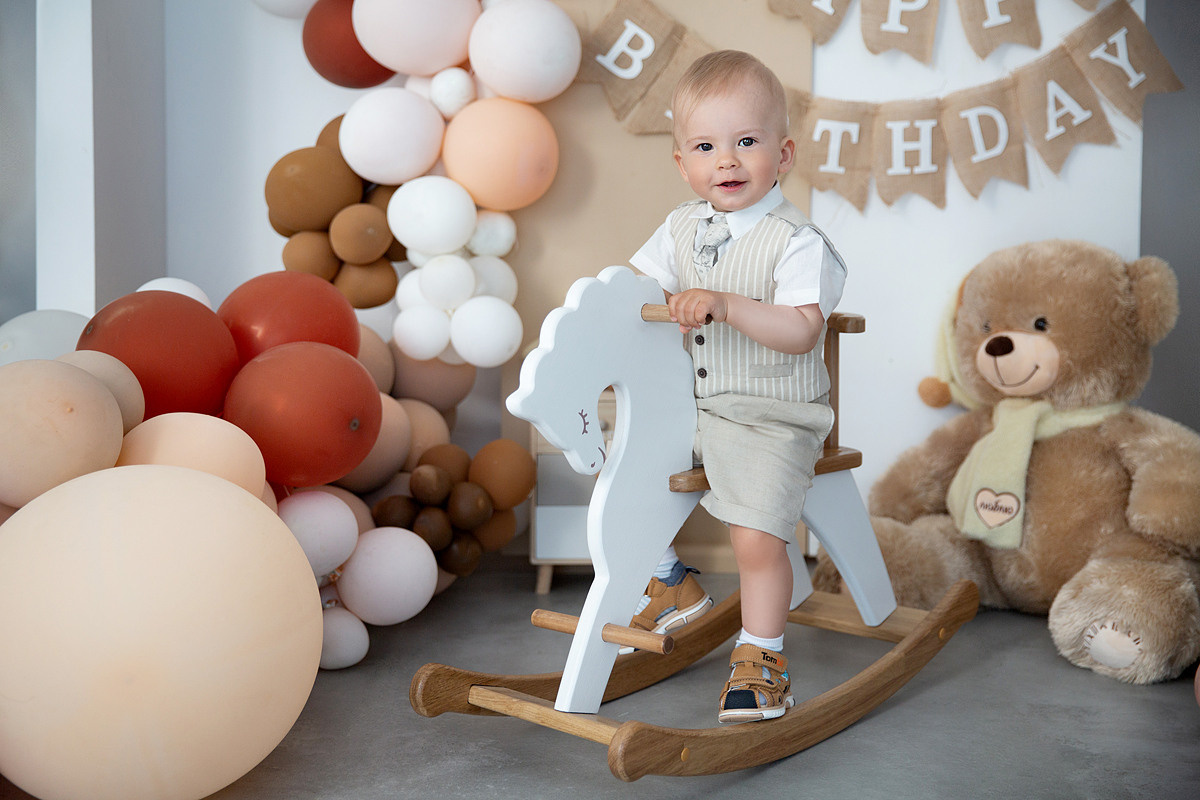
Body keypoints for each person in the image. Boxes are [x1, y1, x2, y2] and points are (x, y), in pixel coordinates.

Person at [628, 49, 847, 724]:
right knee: (617, 464)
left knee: (754, 537)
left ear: (781, 155)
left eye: (745, 143)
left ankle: (761, 656)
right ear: (683, 163)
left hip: (769, 412)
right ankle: (672, 585)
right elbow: (640, 288)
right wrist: (655, 299)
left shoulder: (797, 241)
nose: (726, 161)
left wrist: (723, 302)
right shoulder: (681, 226)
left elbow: (802, 329)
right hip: (694, 404)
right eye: (706, 146)